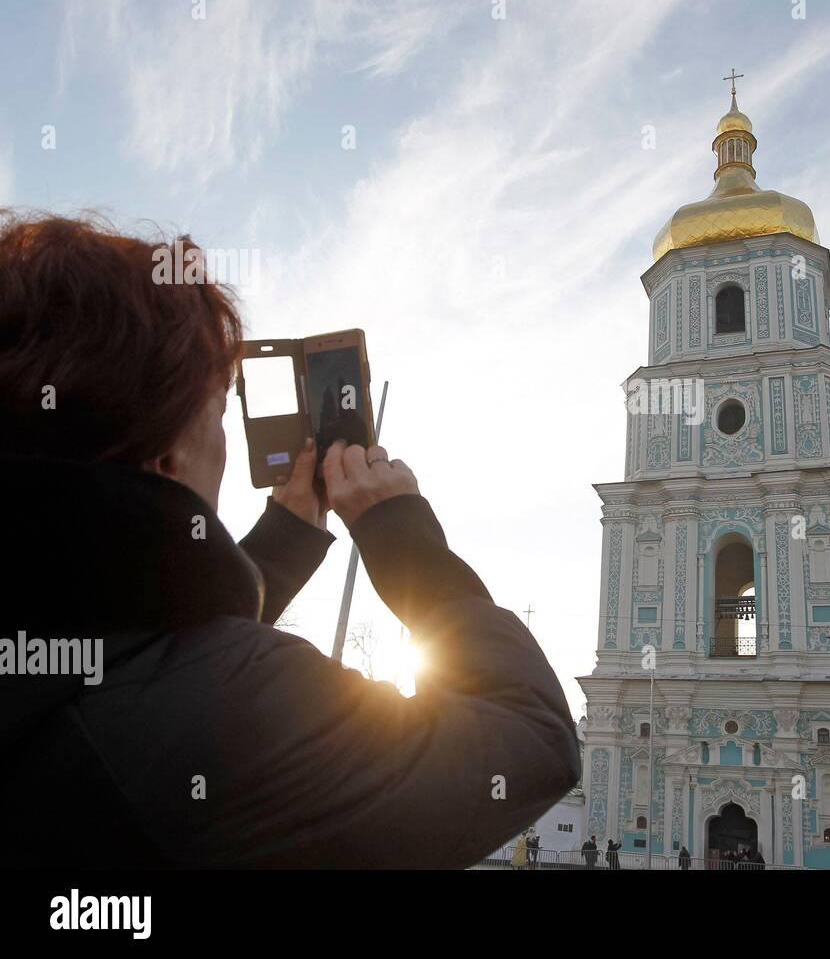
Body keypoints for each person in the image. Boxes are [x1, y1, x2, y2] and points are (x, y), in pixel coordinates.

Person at [0, 214, 581, 868]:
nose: (223, 444)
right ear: (166, 456)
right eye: (217, 414)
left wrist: (283, 543)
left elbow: (143, 647)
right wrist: (406, 544)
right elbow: (531, 735)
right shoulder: (229, 710)